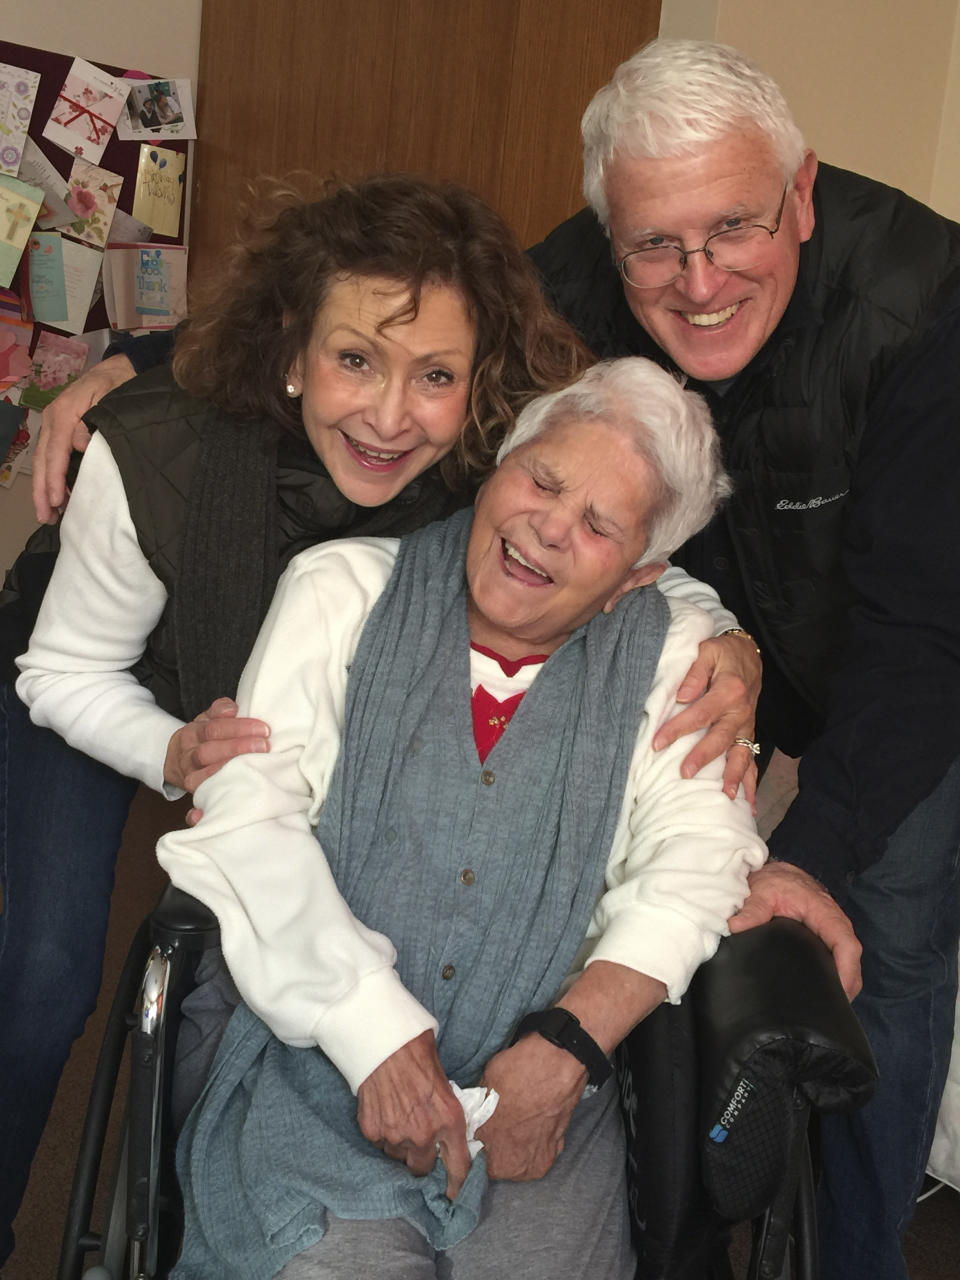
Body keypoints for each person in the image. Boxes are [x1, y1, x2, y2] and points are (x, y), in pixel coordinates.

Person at [0, 174, 761, 1266]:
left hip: (268, 705)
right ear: (294, 351)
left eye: (436, 376)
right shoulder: (158, 453)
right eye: (355, 359)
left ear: (480, 390)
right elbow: (67, 673)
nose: (393, 413)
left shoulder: (497, 440)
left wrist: (724, 634)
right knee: (45, 969)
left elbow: (622, 514)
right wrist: (169, 747)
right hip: (95, 678)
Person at [154, 357, 768, 1280]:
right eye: (541, 480)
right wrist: (373, 1036)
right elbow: (249, 816)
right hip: (317, 1069)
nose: (548, 528)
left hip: (549, 1094)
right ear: (498, 467)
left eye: (599, 524)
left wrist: (568, 1047)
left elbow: (699, 858)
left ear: (641, 574)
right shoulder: (342, 589)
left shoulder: (680, 655)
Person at [522, 38, 960, 1280]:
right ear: (610, 232)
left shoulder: (925, 301)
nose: (699, 280)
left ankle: (859, 1255)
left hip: (909, 651)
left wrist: (811, 858)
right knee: (634, 882)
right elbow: (393, 348)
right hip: (718, 634)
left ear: (803, 194)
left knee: (883, 929)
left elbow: (926, 634)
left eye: (735, 230)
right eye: (655, 244)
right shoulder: (564, 281)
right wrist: (143, 365)